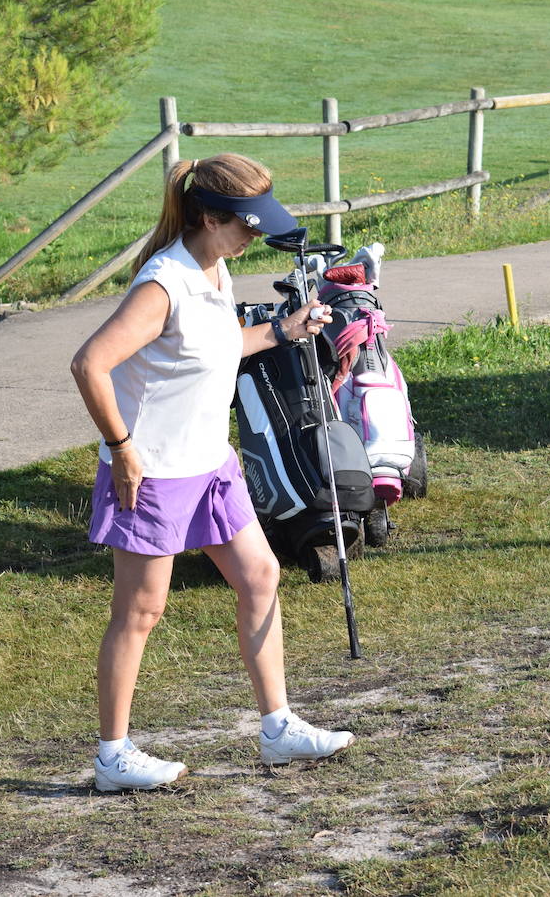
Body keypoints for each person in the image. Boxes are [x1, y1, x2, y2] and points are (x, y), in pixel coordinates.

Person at [70, 153, 355, 792]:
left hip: (210, 465)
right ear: (208, 216)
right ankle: (112, 756)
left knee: (260, 574)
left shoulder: (216, 270)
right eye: (247, 227)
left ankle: (278, 729)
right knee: (141, 612)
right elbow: (89, 364)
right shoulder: (163, 284)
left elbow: (220, 348)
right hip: (153, 474)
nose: (255, 238)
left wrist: (285, 332)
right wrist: (122, 448)